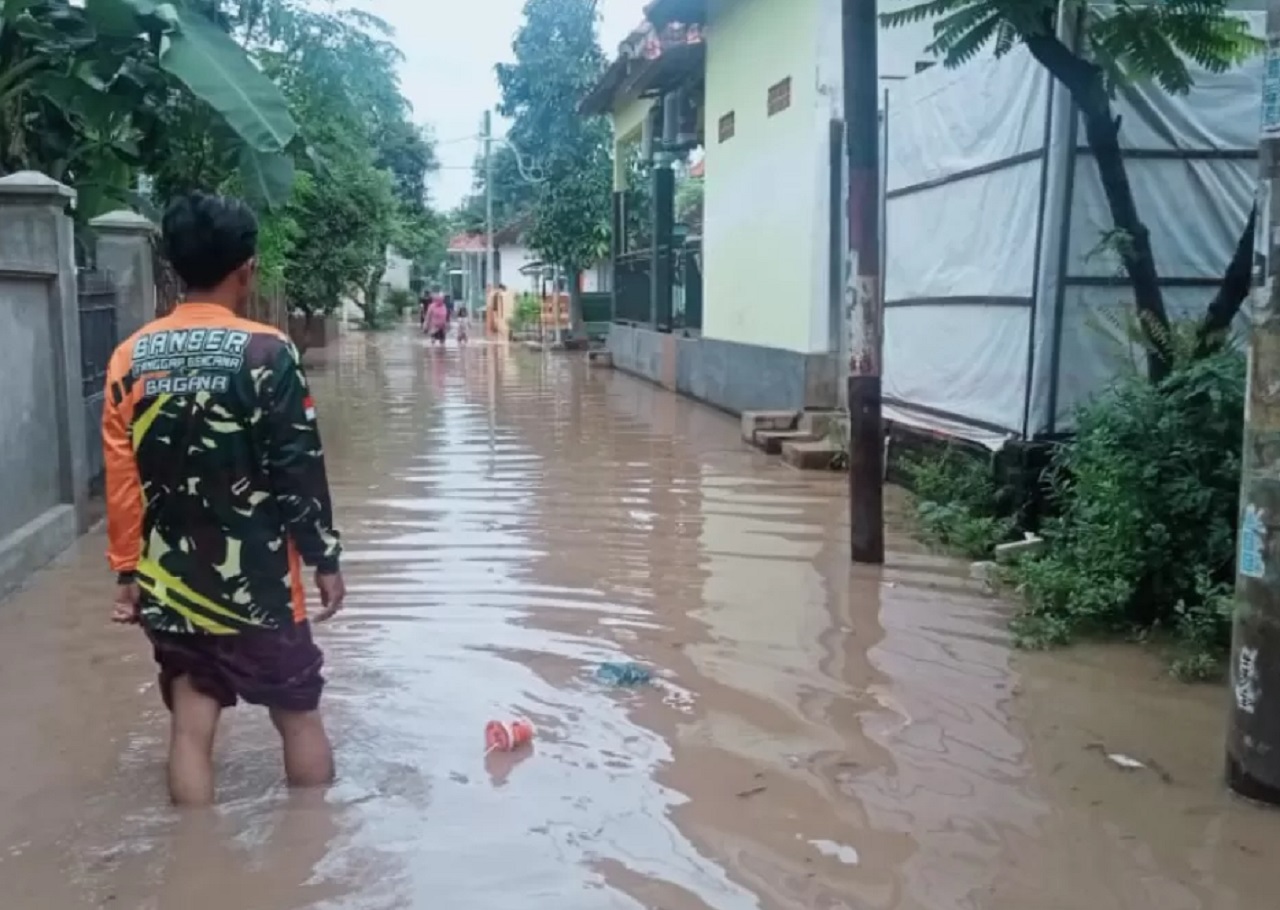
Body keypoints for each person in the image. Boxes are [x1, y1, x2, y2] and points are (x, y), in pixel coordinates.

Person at [102, 191, 346, 807]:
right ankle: (311, 850)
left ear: (174, 268)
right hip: (260, 581)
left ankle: (193, 865)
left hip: (170, 581)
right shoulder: (269, 354)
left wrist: (128, 572)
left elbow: (122, 480)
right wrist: (325, 558)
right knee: (297, 714)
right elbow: (298, 466)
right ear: (247, 269)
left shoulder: (130, 359)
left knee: (190, 722)